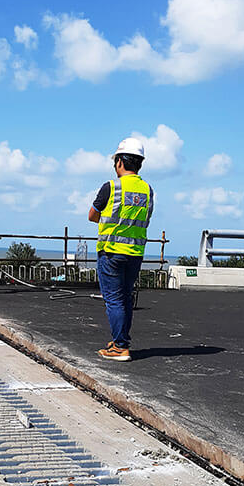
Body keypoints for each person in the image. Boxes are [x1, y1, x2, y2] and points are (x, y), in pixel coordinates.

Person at [88, 138, 154, 361]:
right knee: (125, 298)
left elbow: (92, 216)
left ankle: (120, 347)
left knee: (114, 300)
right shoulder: (147, 190)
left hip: (111, 252)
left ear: (119, 161)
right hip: (135, 254)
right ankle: (120, 340)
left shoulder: (111, 187)